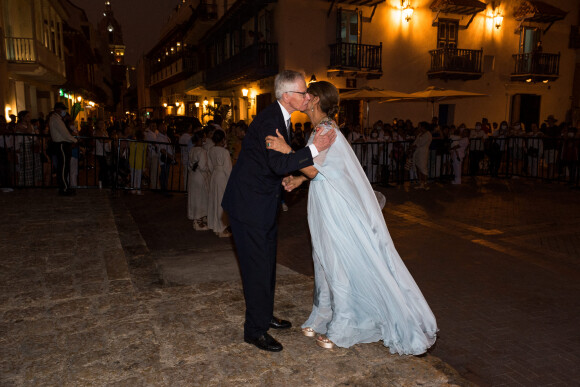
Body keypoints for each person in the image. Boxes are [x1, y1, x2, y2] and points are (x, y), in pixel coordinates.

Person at [266, 80, 437, 354]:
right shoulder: (321, 130)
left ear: (317, 100)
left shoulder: (326, 130)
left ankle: (343, 326)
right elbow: (320, 169)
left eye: (308, 93)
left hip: (335, 207)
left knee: (336, 261)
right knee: (322, 259)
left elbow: (314, 168)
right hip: (324, 201)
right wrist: (299, 179)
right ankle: (322, 315)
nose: (304, 97)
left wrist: (287, 151)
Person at [221, 70, 337, 352]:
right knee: (255, 268)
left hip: (261, 204)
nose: (307, 97)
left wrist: (291, 177)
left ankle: (264, 314)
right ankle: (255, 331)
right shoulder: (271, 120)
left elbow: (271, 164)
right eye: (302, 93)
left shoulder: (279, 116)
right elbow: (277, 163)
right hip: (249, 207)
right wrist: (312, 150)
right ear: (287, 96)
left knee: (266, 264)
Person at [207, 129, 232, 237]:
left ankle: (214, 224)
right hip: (222, 177)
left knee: (214, 200)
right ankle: (221, 228)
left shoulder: (210, 150)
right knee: (221, 201)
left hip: (215, 175)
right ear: (223, 139)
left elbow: (210, 165)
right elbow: (228, 169)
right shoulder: (224, 152)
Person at [49, 102, 77, 195]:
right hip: (61, 144)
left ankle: (65, 187)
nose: (64, 111)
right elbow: (65, 133)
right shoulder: (56, 119)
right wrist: (75, 140)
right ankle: (64, 188)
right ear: (58, 109)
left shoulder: (57, 119)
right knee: (63, 167)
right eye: (63, 109)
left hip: (62, 144)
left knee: (63, 167)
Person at [187, 132, 210, 230]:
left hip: (193, 175)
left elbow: (190, 165)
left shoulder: (192, 149)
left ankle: (198, 218)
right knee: (200, 197)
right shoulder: (202, 151)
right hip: (200, 177)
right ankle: (198, 221)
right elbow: (203, 166)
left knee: (194, 197)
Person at [411, 122, 432, 190]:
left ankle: (425, 183)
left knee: (423, 167)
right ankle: (421, 183)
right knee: (418, 166)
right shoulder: (420, 134)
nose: (418, 128)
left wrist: (414, 146)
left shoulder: (428, 134)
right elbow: (416, 142)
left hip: (423, 151)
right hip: (417, 152)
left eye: (419, 126)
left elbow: (420, 143)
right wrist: (413, 146)